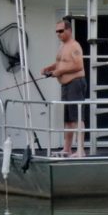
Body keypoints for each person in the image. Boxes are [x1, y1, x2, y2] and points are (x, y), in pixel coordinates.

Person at [42, 17, 86, 157]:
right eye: (56, 32)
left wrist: (59, 72)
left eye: (61, 31)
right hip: (65, 85)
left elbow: (78, 65)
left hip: (75, 83)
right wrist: (49, 68)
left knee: (77, 117)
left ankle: (81, 150)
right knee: (67, 119)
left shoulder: (75, 46)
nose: (58, 34)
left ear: (69, 30)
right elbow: (61, 63)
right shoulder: (62, 47)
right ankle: (67, 148)